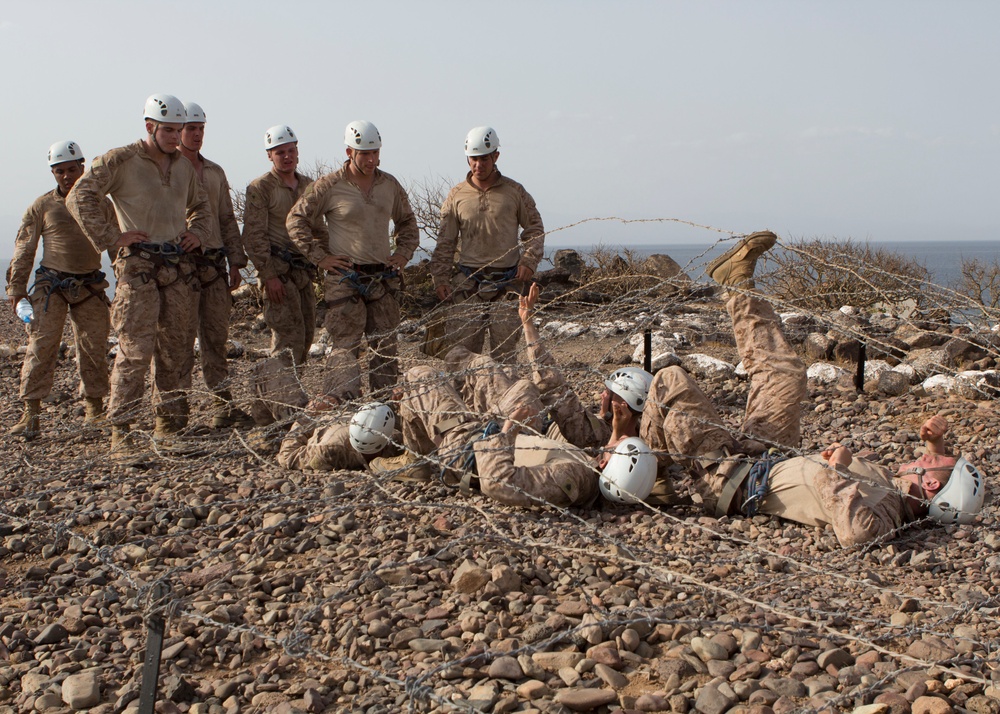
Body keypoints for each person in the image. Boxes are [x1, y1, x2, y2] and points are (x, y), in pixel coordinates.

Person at [639, 230, 986, 546]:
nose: (939, 454)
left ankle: (650, 477)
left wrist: (837, 471)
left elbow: (858, 534)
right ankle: (737, 282)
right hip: (769, 454)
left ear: (931, 486)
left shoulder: (890, 512)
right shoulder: (895, 484)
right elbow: (931, 477)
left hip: (731, 478)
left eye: (943, 461)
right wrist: (934, 444)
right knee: (787, 374)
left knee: (671, 380)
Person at [67, 94, 212, 450]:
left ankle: (170, 426)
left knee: (176, 348)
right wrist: (111, 238)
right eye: (168, 131)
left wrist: (198, 234)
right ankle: (123, 432)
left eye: (179, 130)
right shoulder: (121, 160)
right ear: (150, 127)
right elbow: (79, 196)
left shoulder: (182, 168)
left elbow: (202, 206)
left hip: (177, 266)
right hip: (139, 267)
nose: (176, 138)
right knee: (135, 349)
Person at [286, 120, 418, 398]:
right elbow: (296, 219)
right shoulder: (329, 186)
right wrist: (320, 258)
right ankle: (340, 407)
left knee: (385, 348)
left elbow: (407, 222)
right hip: (346, 280)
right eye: (364, 154)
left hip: (382, 279)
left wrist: (403, 253)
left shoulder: (389, 184)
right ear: (349, 153)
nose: (371, 160)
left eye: (375, 153)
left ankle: (385, 410)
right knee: (344, 350)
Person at [5, 141, 111, 439]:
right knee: (42, 346)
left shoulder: (101, 204)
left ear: (82, 167)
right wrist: (16, 288)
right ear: (54, 173)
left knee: (94, 349)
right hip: (51, 285)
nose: (67, 176)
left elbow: (116, 243)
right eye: (60, 171)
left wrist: (127, 278)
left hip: (89, 284)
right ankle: (31, 415)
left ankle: (95, 411)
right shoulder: (43, 206)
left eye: (72, 170)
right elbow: (25, 247)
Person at [429, 126, 544, 360]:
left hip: (508, 283)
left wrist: (529, 260)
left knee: (504, 357)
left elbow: (534, 228)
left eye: (484, 159)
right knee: (461, 357)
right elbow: (445, 241)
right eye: (473, 159)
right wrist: (440, 278)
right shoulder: (456, 196)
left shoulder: (515, 192)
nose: (478, 165)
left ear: (496, 157)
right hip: (467, 284)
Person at [176, 102, 253, 428]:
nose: (196, 135)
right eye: (190, 129)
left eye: (200, 129)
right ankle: (173, 414)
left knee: (215, 338)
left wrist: (236, 261)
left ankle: (223, 405)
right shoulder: (166, 170)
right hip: (177, 267)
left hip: (214, 264)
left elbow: (226, 218)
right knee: (177, 340)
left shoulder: (215, 172)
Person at [242, 125, 315, 365]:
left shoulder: (309, 186)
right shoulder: (261, 187)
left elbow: (319, 227)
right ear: (269, 155)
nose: (287, 156)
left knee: (306, 335)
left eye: (291, 151)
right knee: (287, 337)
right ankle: (278, 395)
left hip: (303, 271)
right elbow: (254, 236)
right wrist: (269, 275)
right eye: (280, 152)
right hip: (278, 271)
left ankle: (295, 394)